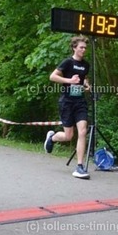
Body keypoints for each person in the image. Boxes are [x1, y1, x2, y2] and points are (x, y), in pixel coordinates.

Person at [44, 35, 91, 179]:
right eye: (81, 47)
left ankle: (80, 167)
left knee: (82, 131)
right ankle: (52, 138)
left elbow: (84, 78)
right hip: (67, 102)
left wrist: (87, 85)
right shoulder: (67, 62)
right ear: (74, 48)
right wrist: (69, 80)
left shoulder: (86, 65)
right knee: (68, 136)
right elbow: (52, 76)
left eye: (85, 48)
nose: (84, 50)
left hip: (80, 102)